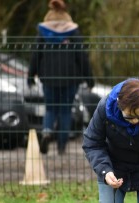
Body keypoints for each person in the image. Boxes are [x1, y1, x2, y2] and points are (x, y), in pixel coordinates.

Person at [28, 0, 94, 155]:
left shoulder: (43, 32)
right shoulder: (73, 32)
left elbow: (35, 55)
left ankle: (46, 132)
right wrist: (89, 79)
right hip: (70, 79)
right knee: (65, 111)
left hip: (48, 78)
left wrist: (31, 75)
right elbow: (82, 57)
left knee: (50, 108)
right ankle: (62, 146)